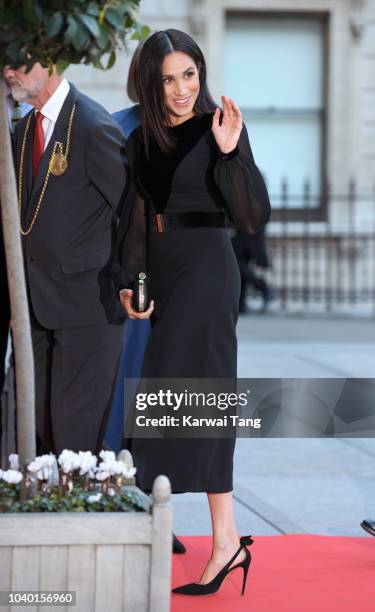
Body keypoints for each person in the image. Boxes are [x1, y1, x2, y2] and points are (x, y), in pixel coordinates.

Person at [114, 29, 271, 596]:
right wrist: (133, 282)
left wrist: (230, 154)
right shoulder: (141, 141)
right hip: (166, 275)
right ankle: (175, 528)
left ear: (200, 74)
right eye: (168, 79)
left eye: (190, 75)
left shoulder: (220, 128)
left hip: (208, 271)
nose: (182, 89)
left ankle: (221, 539)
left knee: (201, 396)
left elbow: (252, 217)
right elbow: (135, 219)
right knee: (162, 399)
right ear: (150, 84)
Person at [5, 62, 127, 455]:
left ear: (51, 61)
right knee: (34, 435)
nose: (8, 72)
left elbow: (132, 212)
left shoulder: (93, 125)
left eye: (19, 64)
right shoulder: (21, 132)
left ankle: (78, 519)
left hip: (88, 309)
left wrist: (132, 283)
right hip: (33, 313)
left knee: (74, 441)